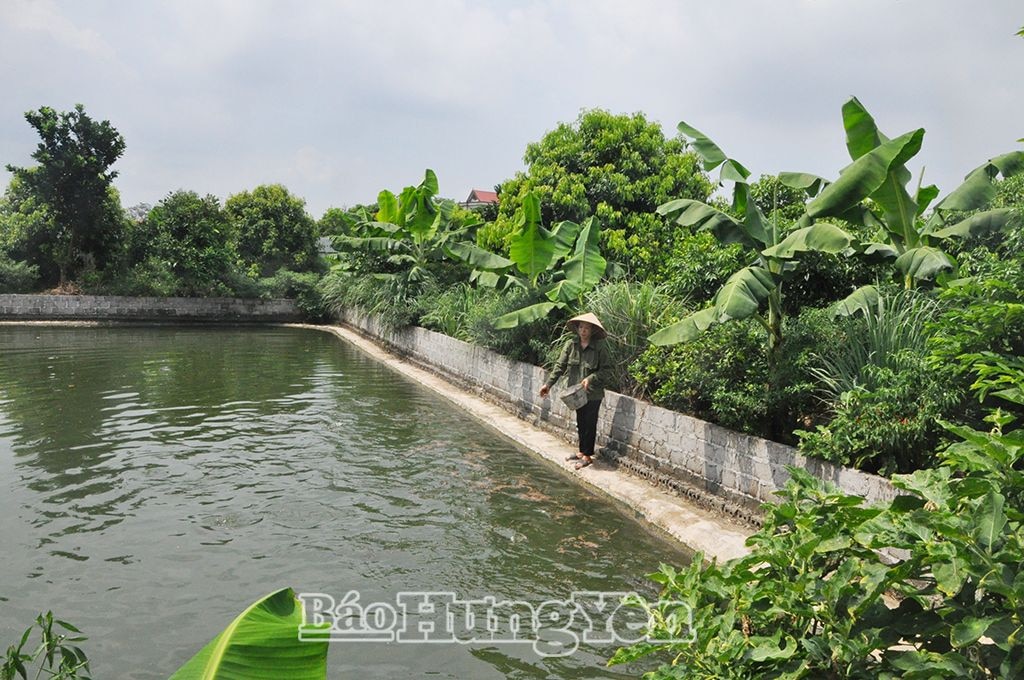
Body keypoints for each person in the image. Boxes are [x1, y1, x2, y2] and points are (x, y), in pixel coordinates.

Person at [539, 312, 611, 470]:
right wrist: (548, 385)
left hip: (593, 392)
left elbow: (606, 370)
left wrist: (590, 379)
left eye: (587, 328)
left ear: (592, 330)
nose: (583, 330)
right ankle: (581, 451)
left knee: (589, 422)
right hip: (576, 392)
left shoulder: (599, 347)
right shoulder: (571, 345)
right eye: (581, 327)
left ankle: (587, 455)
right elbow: (560, 366)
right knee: (580, 421)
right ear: (577, 329)